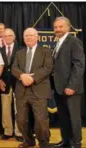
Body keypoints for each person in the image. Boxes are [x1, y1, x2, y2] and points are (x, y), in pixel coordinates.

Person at [12, 28, 53, 148]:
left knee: (41, 120)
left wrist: (32, 79)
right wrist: (22, 75)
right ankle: (29, 141)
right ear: (23, 38)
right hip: (22, 91)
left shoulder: (46, 51)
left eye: (31, 35)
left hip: (39, 90)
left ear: (37, 37)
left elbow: (48, 68)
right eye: (26, 36)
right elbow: (14, 68)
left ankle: (44, 142)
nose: (28, 37)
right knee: (21, 120)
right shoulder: (19, 53)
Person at [52, 17, 85, 148]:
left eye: (61, 26)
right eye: (55, 27)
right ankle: (66, 141)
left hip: (71, 88)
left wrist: (71, 86)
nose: (58, 29)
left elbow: (79, 65)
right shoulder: (58, 42)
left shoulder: (73, 41)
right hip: (59, 88)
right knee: (64, 117)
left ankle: (76, 143)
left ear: (68, 27)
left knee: (74, 117)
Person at [0, 28, 23, 142]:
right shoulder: (0, 50)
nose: (7, 38)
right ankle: (7, 131)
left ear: (14, 37)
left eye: (10, 35)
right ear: (2, 38)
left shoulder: (21, 49)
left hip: (19, 83)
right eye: (5, 36)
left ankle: (19, 132)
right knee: (5, 108)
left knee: (18, 109)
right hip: (4, 84)